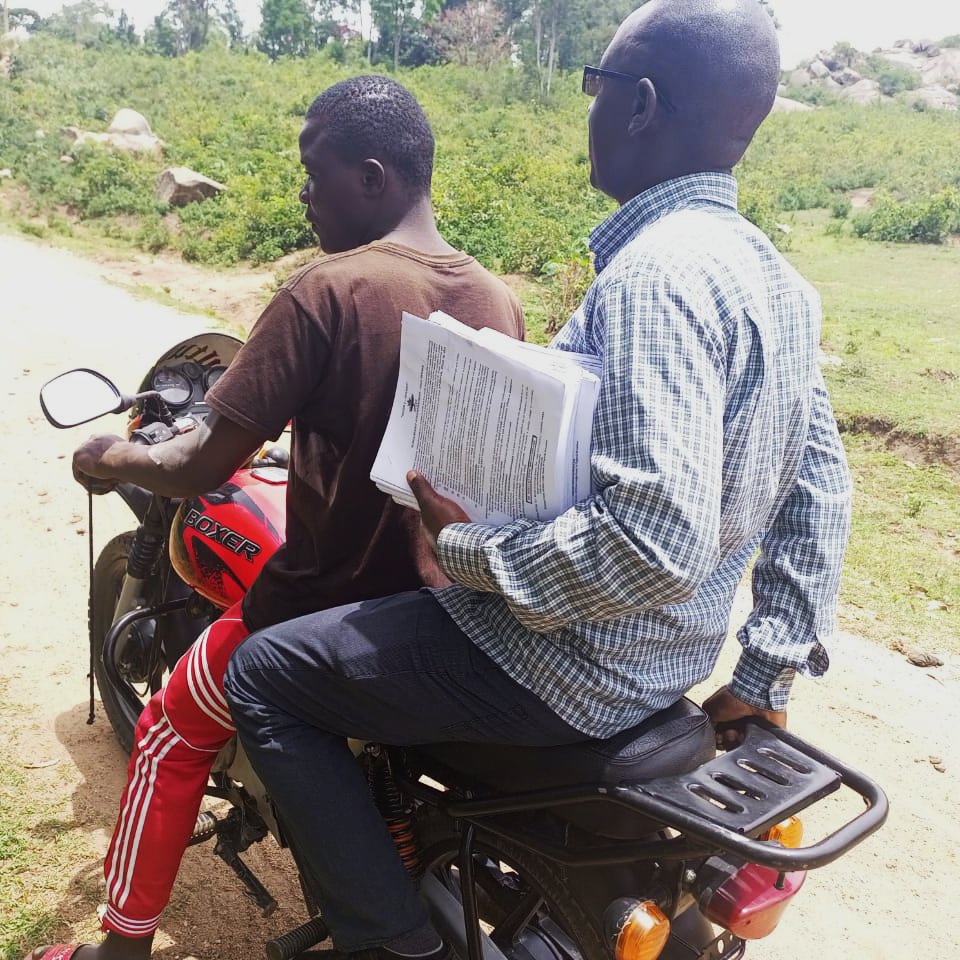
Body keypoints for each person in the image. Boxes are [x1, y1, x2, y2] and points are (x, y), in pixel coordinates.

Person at [222, 1, 853, 958]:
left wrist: (466, 546)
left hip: (564, 670)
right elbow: (821, 492)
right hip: (667, 668)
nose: (589, 109)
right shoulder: (777, 282)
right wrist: (762, 676)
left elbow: (654, 540)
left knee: (265, 675)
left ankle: (391, 943)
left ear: (640, 105)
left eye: (594, 88)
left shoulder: (655, 278)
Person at [28, 76, 524, 960]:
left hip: (314, 616)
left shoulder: (326, 291)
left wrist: (108, 458)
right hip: (439, 622)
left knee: (169, 730)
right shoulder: (495, 298)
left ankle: (120, 947)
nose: (302, 193)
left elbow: (198, 462)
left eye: (313, 172)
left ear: (371, 178)